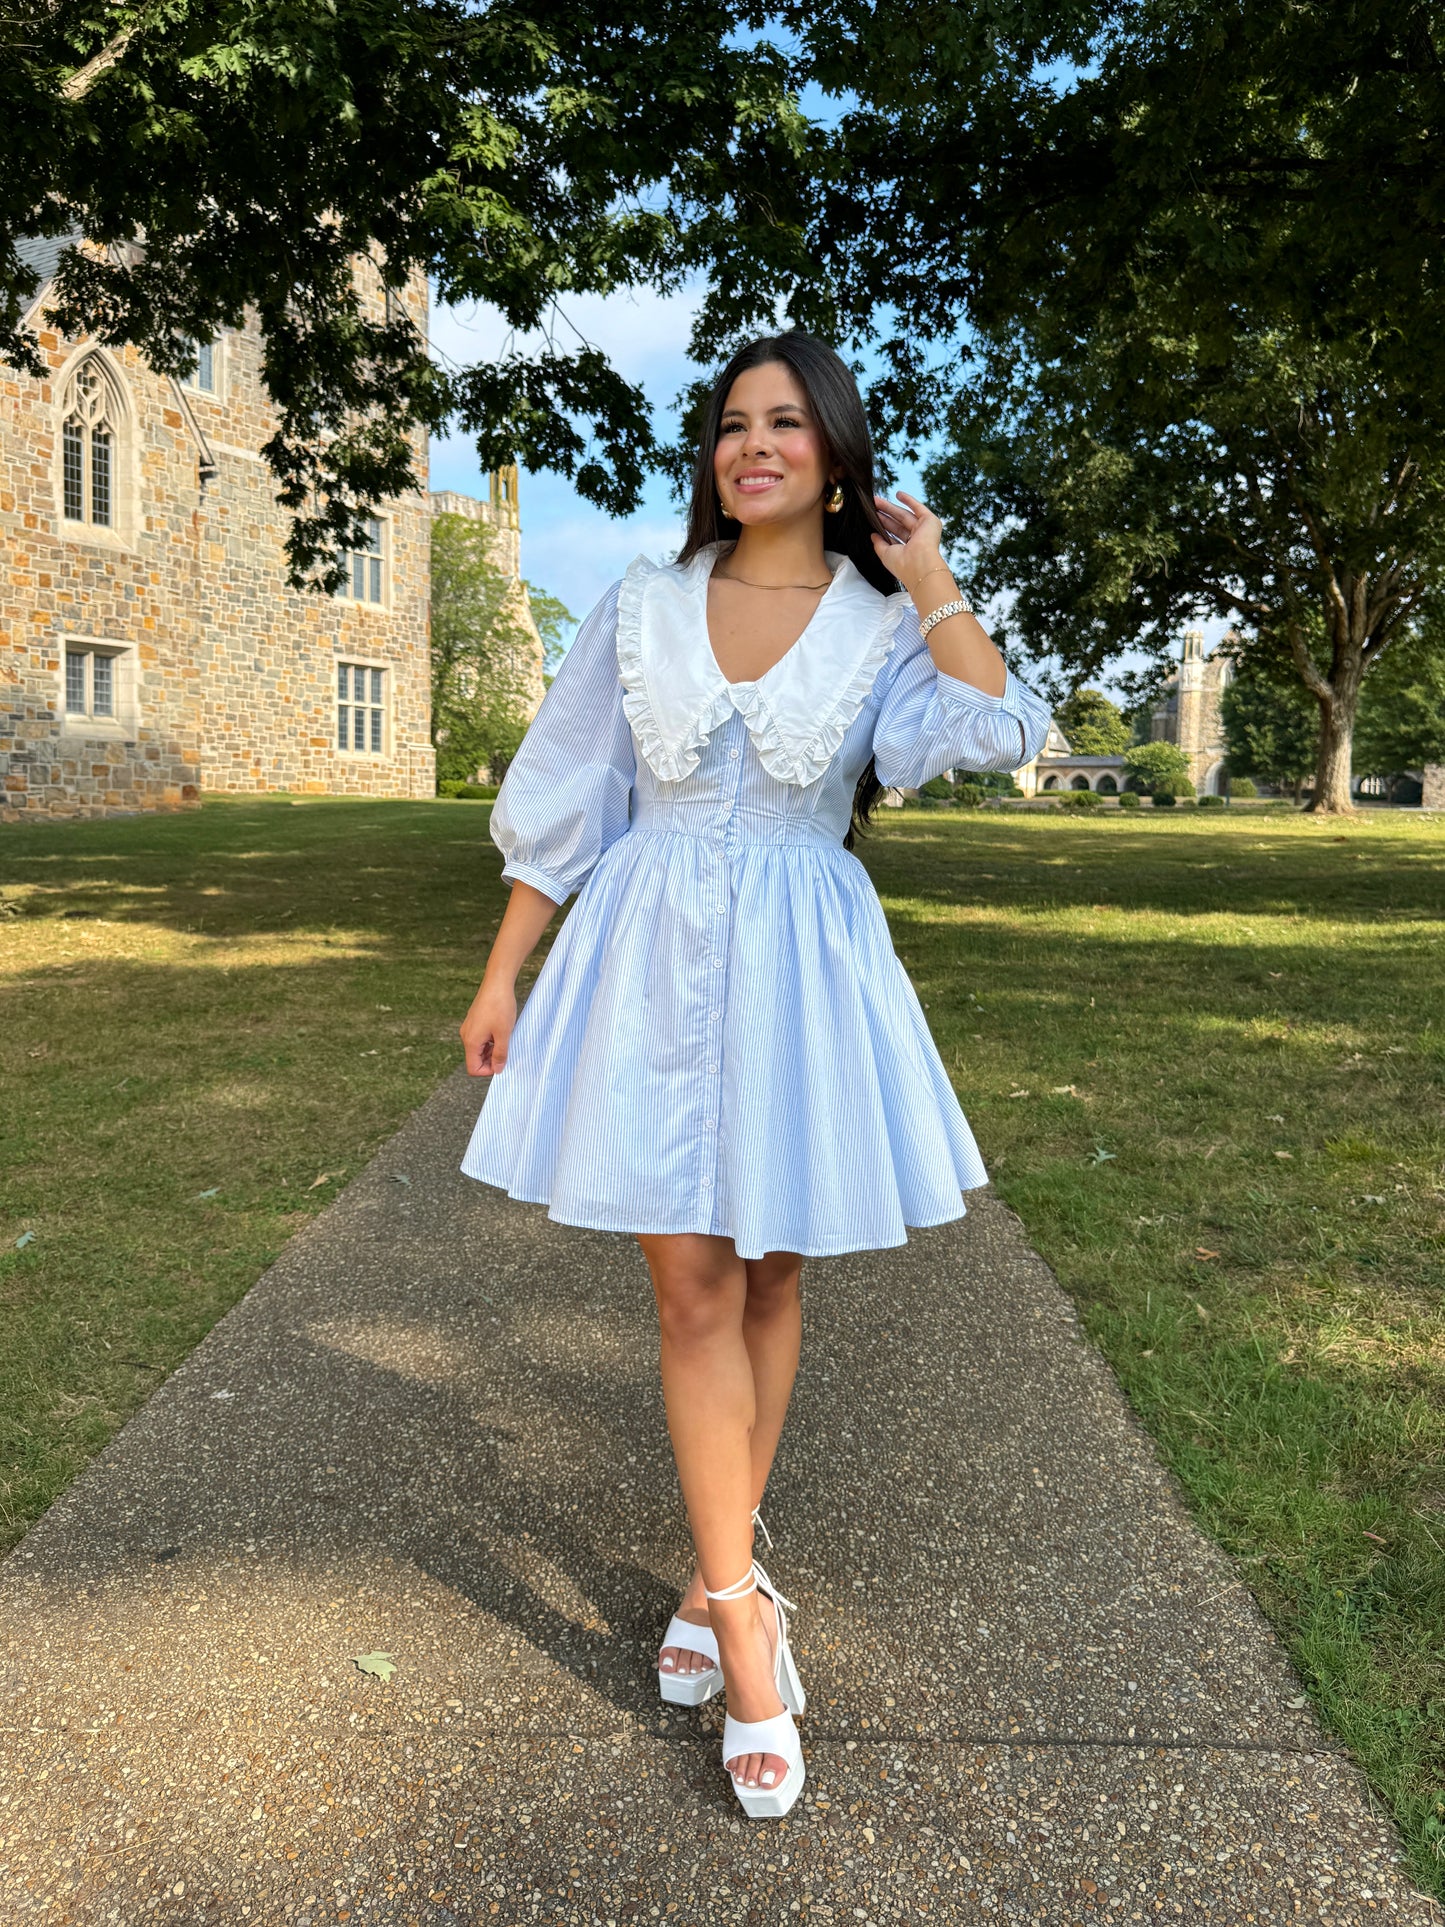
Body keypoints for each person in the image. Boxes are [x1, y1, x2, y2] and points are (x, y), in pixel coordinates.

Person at [457, 332, 1052, 1819]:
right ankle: (740, 1620)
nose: (754, 446)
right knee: (689, 1286)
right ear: (710, 456)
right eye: (732, 425)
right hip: (646, 961)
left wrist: (928, 580)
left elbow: (991, 729)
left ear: (835, 453)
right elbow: (573, 787)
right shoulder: (644, 601)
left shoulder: (877, 621)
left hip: (801, 967)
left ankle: (717, 1556)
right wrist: (501, 969)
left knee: (772, 1275)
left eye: (787, 424)